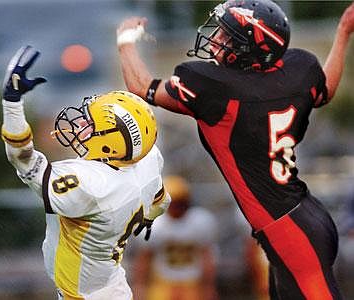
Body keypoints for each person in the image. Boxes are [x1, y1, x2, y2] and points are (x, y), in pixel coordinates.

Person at [116, 1, 354, 299]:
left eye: (228, 36)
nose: (216, 38)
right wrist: (343, 32)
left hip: (289, 231)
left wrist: (125, 41)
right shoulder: (298, 70)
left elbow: (142, 86)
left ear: (250, 50)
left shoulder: (214, 88)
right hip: (301, 217)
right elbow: (324, 91)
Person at [1, 46, 170, 300]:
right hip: (112, 287)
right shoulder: (146, 159)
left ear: (110, 143)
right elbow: (161, 200)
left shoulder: (92, 184)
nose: (80, 124)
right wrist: (147, 217)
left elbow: (23, 159)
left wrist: (11, 103)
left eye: (90, 124)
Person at [132, 175, 218, 300]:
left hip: (192, 284)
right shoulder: (156, 225)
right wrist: (140, 286)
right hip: (163, 284)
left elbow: (206, 256)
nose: (177, 207)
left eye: (180, 202)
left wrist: (209, 286)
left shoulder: (200, 221)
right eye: (173, 203)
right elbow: (145, 259)